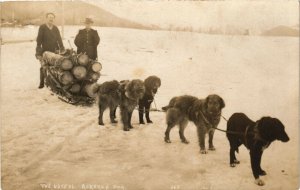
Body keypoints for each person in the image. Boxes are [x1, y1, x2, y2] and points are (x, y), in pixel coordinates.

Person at [35, 12, 65, 89]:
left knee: (54, 67)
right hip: (44, 51)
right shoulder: (42, 27)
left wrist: (61, 48)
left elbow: (59, 39)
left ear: (54, 19)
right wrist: (38, 52)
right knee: (43, 66)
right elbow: (39, 41)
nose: (51, 19)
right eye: (49, 17)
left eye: (52, 17)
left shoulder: (55, 28)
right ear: (46, 18)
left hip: (54, 51)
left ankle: (52, 83)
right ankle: (42, 82)